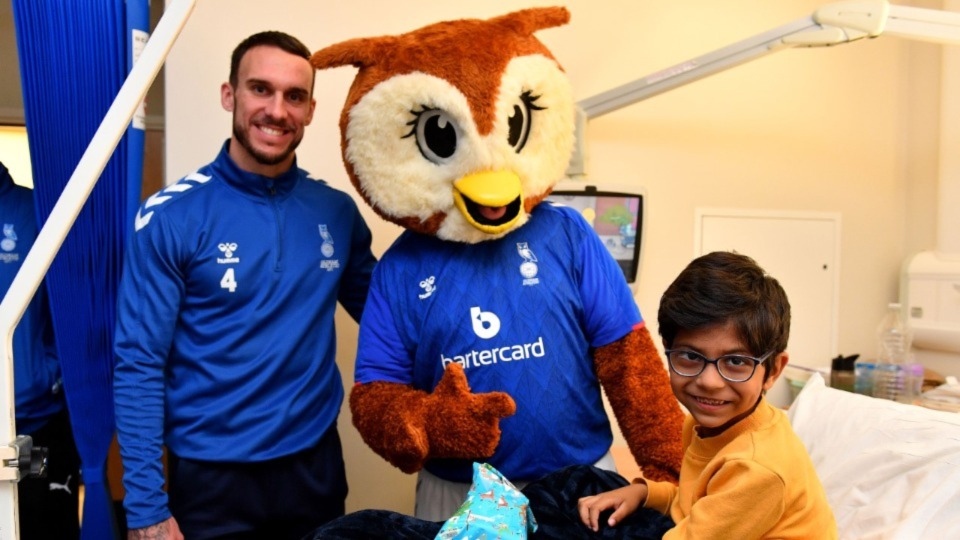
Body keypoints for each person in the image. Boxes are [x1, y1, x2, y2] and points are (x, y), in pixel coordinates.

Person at [113, 31, 377, 540]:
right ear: (229, 95)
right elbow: (139, 364)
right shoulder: (172, 217)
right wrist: (145, 505)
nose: (277, 110)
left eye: (294, 96)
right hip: (211, 479)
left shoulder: (336, 212)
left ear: (310, 110)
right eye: (260, 89)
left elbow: (391, 318)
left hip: (313, 469)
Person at [574, 251, 837, 538]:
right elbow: (693, 503)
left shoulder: (757, 468)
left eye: (736, 362)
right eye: (690, 356)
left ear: (773, 370)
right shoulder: (708, 424)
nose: (709, 382)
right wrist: (644, 491)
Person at [0, 161, 81, 539]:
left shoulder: (37, 213)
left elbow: (77, 310)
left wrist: (49, 377)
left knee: (45, 526)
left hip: (39, 426)